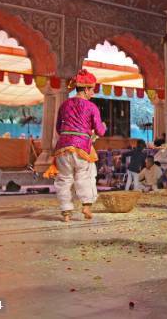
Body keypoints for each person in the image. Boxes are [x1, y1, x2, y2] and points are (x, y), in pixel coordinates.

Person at [50, 69, 106, 222]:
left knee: (64, 179)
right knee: (84, 176)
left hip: (62, 148)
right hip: (81, 147)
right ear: (86, 89)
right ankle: (86, 206)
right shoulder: (91, 107)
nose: (92, 93)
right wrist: (104, 126)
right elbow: (100, 131)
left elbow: (58, 128)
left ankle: (66, 212)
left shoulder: (64, 104)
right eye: (92, 90)